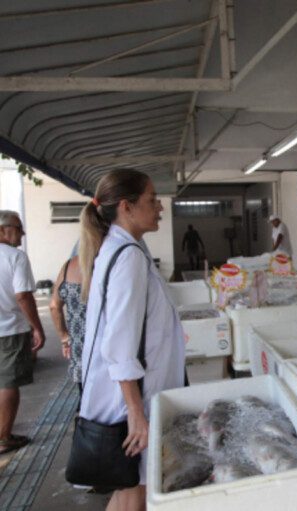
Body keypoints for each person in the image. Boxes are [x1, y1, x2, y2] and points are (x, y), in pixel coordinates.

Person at [78, 169, 185, 510]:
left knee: (133, 492)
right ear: (126, 207)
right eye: (152, 200)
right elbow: (121, 346)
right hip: (131, 403)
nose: (159, 208)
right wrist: (136, 413)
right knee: (133, 493)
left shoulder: (121, 248)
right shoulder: (128, 259)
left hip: (130, 396)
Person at [0, 211, 45, 455]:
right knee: (7, 383)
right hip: (9, 330)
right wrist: (36, 327)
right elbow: (23, 296)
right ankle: (3, 437)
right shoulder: (15, 257)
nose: (22, 233)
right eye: (18, 227)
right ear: (2, 230)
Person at [49, 256, 86, 390]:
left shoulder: (69, 266)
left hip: (80, 354)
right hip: (113, 356)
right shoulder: (117, 261)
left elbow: (54, 306)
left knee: (87, 403)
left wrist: (65, 338)